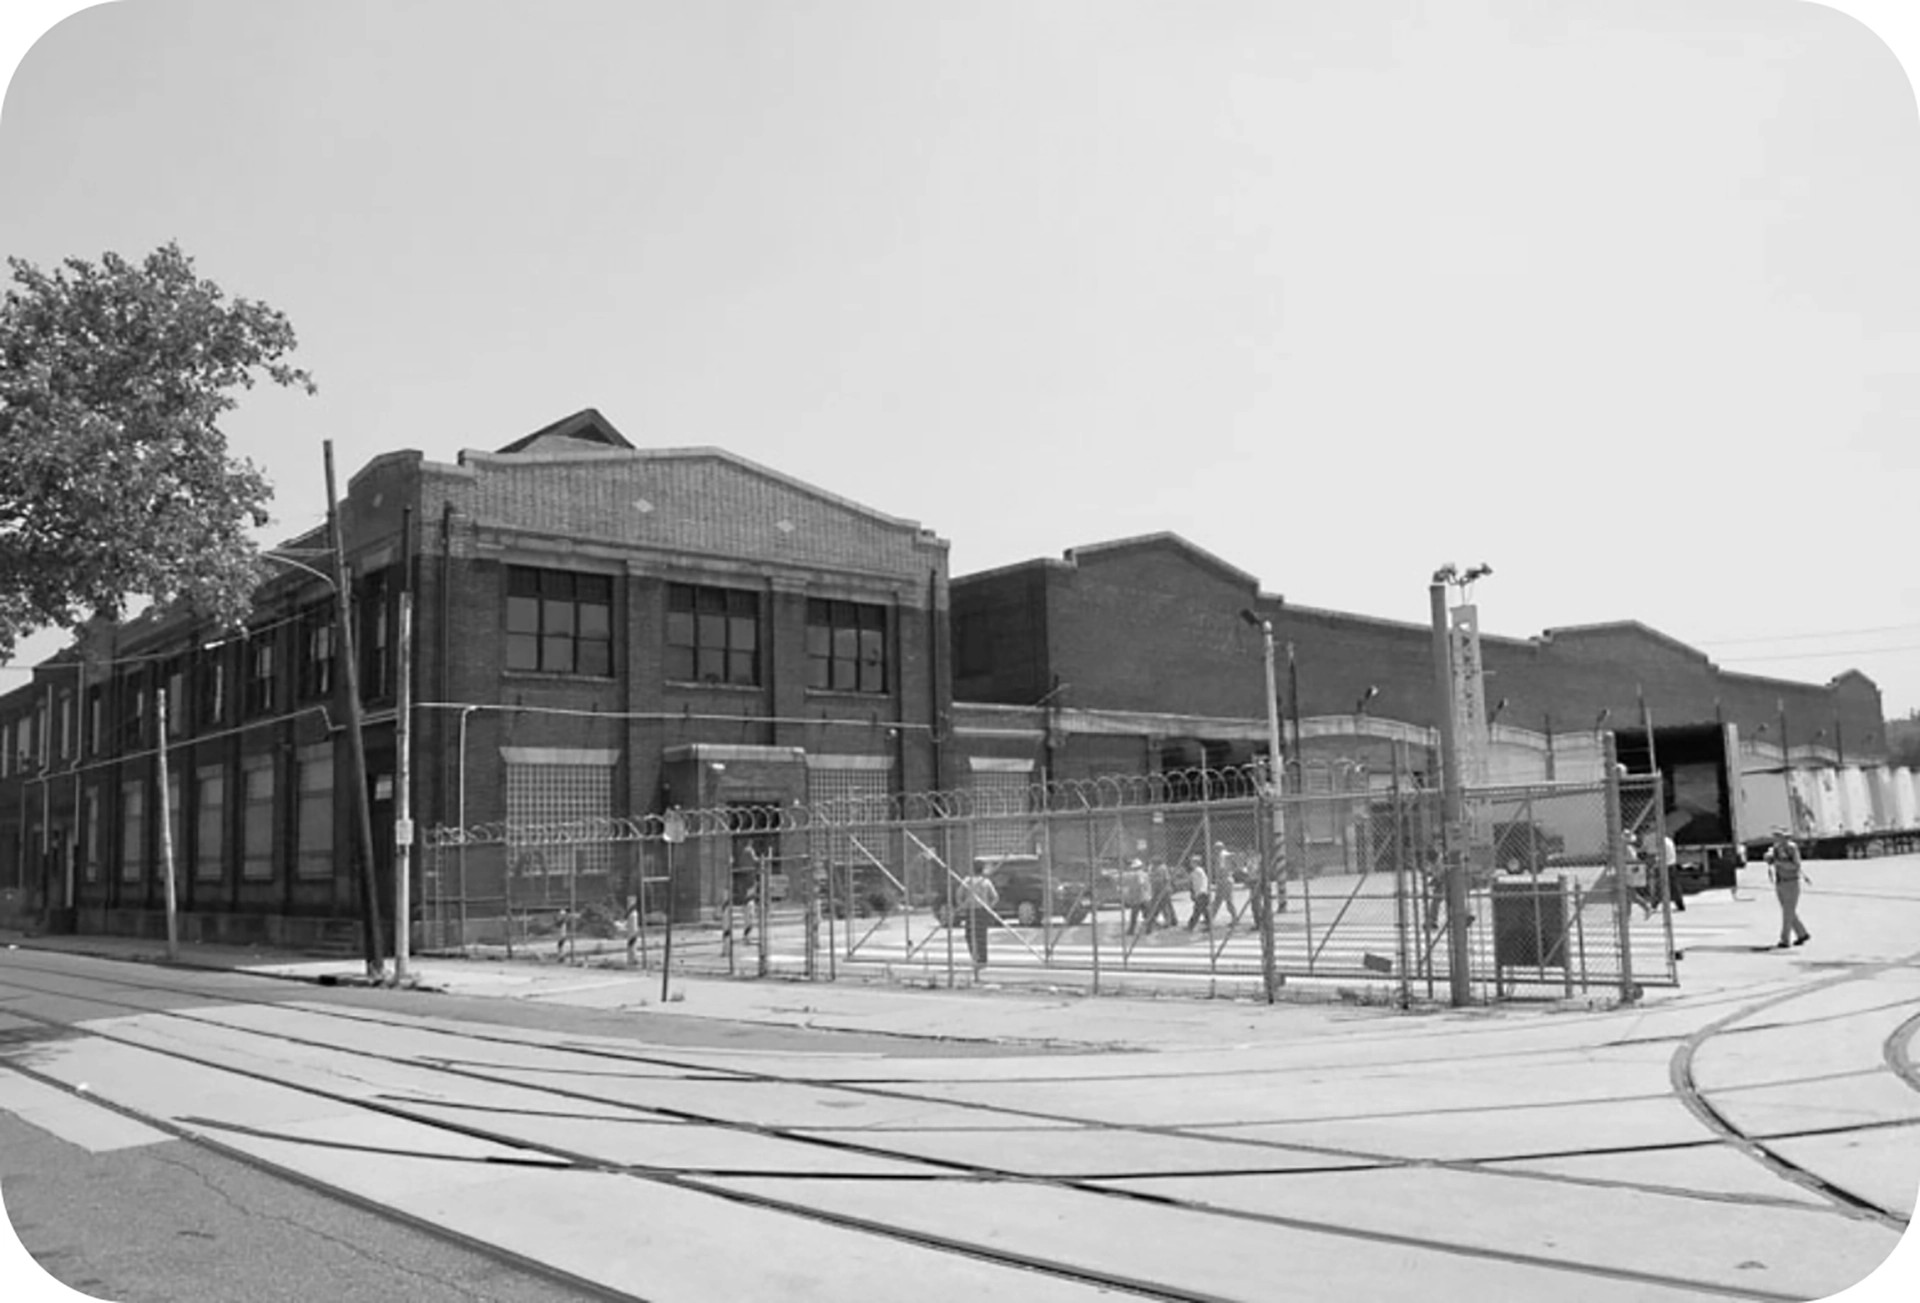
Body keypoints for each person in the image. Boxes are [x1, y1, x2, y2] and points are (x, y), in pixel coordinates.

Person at [1765, 827, 1811, 949]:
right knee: (1789, 912)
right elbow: (1769, 857)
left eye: (1779, 836)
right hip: (1780, 882)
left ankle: (1785, 939)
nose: (1777, 838)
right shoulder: (1775, 848)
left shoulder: (1792, 848)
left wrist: (1779, 863)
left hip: (1791, 882)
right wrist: (1769, 858)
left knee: (1787, 913)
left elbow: (1796, 866)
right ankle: (1802, 934)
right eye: (1776, 836)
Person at [959, 864, 1001, 972]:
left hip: (975, 910)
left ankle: (979, 959)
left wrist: (962, 905)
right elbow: (995, 897)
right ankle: (980, 959)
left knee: (975, 935)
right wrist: (989, 907)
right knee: (977, 936)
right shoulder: (978, 881)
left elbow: (959, 895)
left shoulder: (975, 881)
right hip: (978, 910)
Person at [1121, 859, 1151, 938]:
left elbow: (1140, 884)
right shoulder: (1144, 874)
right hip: (1145, 896)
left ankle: (1132, 930)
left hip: (1138, 897)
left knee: (1134, 915)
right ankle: (1148, 929)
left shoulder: (1136, 875)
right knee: (1146, 914)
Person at [1184, 856, 1212, 933]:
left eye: (1193, 862)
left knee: (1197, 910)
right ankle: (1209, 925)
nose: (1191, 864)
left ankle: (1191, 925)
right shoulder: (1198, 871)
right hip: (1202, 893)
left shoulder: (1197, 871)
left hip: (1201, 893)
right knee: (1204, 910)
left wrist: (1197, 893)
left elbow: (1194, 883)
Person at [1148, 859, 1177, 931]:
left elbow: (1161, 880)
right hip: (1164, 889)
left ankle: (1167, 921)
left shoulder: (1160, 868)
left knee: (1163, 906)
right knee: (1167, 905)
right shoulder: (1162, 868)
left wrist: (1152, 878)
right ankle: (1173, 920)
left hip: (1162, 890)